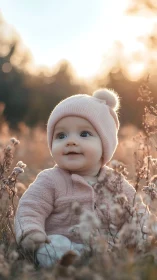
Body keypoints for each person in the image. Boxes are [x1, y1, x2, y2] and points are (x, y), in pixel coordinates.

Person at [14, 88, 137, 267]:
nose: (70, 141)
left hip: (105, 249)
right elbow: (30, 208)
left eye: (84, 134)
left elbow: (136, 211)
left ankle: (104, 261)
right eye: (61, 135)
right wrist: (31, 233)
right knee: (53, 246)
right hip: (62, 247)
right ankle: (67, 263)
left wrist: (145, 233)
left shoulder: (116, 183)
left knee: (122, 245)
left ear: (104, 145)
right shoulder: (50, 180)